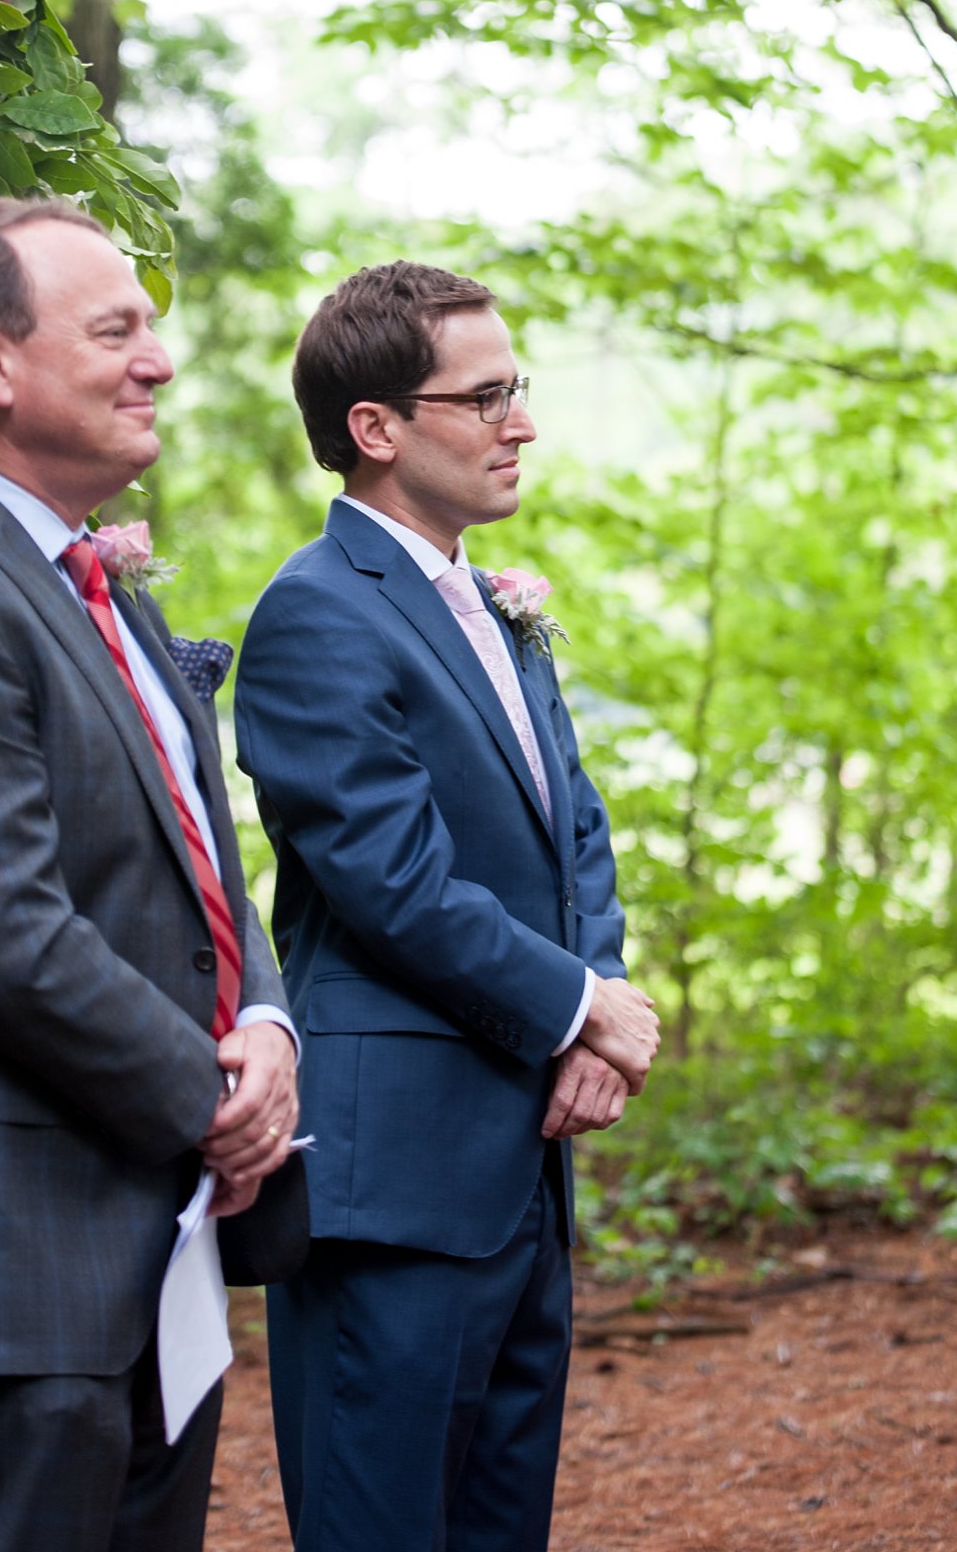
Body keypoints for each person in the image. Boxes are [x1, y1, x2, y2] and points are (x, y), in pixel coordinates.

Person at [0, 196, 301, 1552]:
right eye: (116, 326)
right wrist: (209, 1097)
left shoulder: (97, 584)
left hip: (152, 1224)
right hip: (11, 1243)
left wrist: (263, 1019)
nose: (161, 358)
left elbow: (200, 851)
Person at [235, 260, 660, 1552]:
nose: (519, 420)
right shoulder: (315, 616)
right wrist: (581, 1001)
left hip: (524, 1163)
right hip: (397, 1186)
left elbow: (574, 826)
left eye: (513, 390)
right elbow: (395, 883)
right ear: (377, 427)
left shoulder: (495, 602)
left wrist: (587, 1017)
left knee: (498, 1529)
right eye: (485, 397)